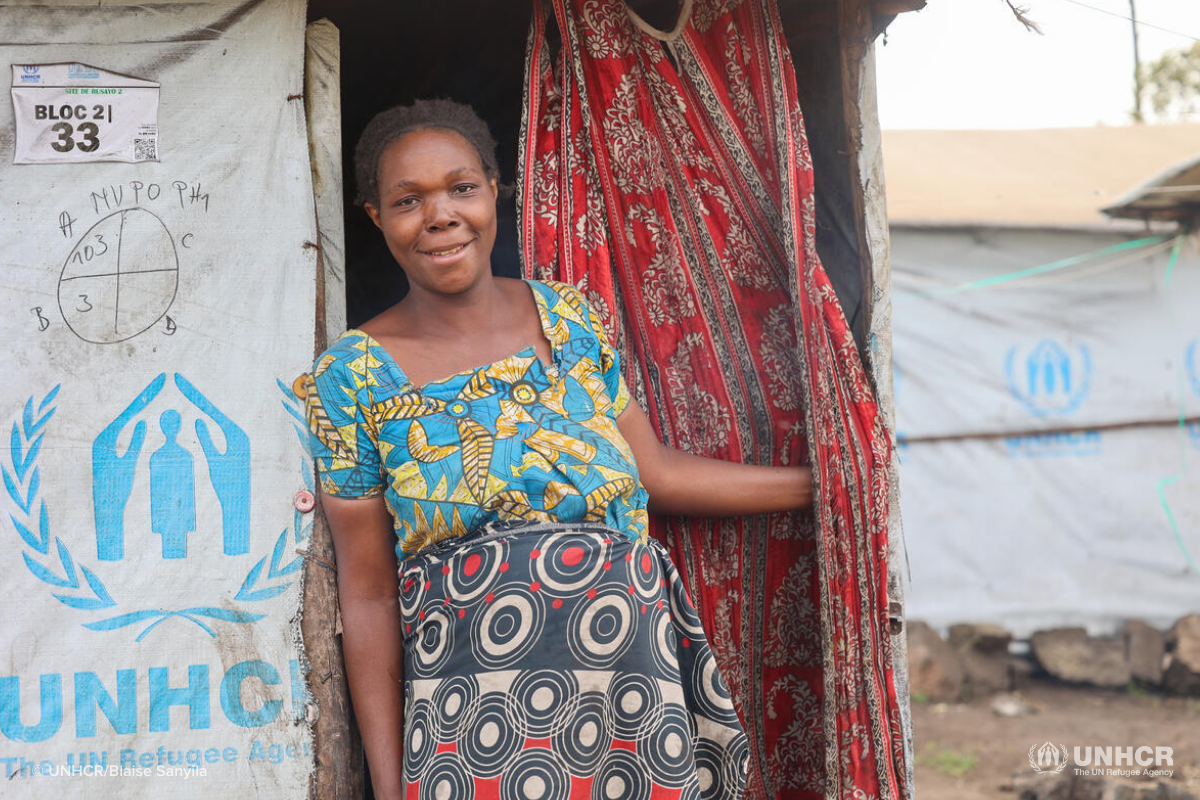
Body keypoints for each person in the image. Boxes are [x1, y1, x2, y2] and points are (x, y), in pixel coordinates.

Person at [299, 99, 814, 800]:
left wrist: (825, 485)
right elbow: (366, 596)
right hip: (472, 717)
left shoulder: (569, 319)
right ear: (375, 217)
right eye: (407, 200)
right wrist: (389, 787)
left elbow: (653, 472)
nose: (440, 216)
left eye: (461, 188)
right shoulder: (350, 378)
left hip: (629, 693)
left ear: (493, 190)